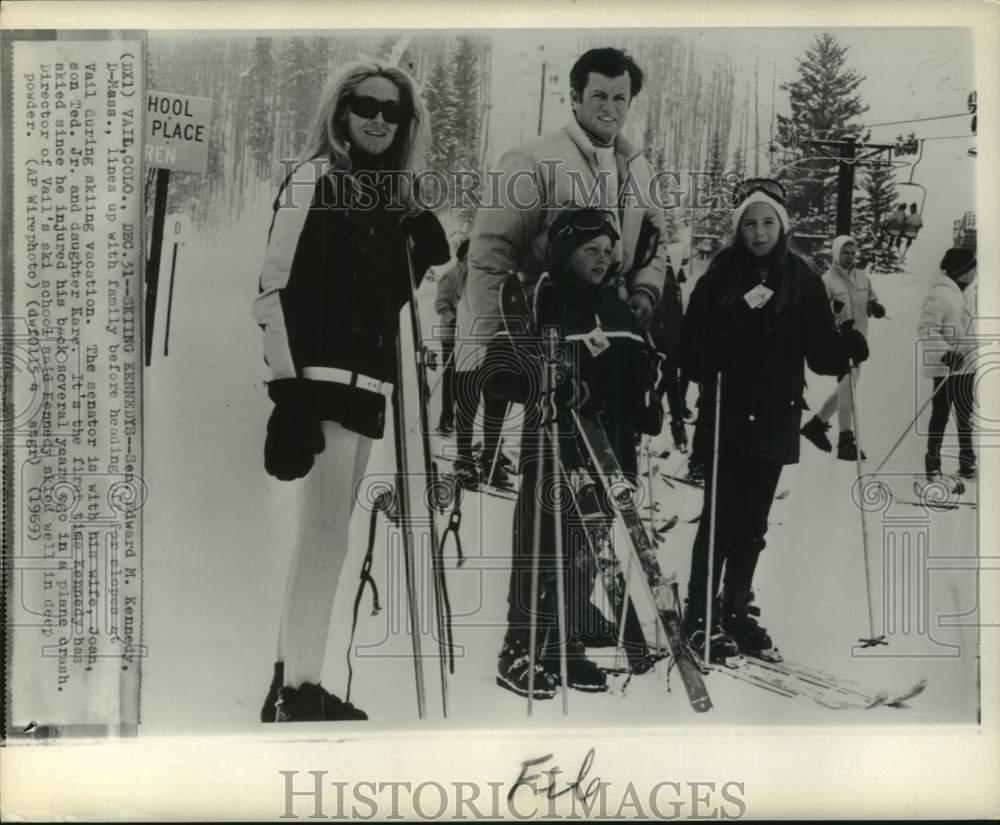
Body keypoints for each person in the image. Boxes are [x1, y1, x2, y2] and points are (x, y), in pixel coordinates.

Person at [252, 60, 449, 722]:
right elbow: (273, 287)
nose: (378, 118)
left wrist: (419, 241)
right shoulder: (314, 179)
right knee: (323, 537)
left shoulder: (393, 200)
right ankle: (298, 691)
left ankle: (291, 675)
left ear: (405, 124)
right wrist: (289, 391)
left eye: (392, 111)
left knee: (327, 536)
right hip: (320, 386)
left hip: (369, 390)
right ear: (341, 112)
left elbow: (386, 301)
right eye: (365, 104)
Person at [678, 179, 870, 661]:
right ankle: (699, 613)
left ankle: (736, 607)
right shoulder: (719, 275)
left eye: (767, 223)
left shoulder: (800, 279)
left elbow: (821, 354)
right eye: (749, 223)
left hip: (774, 416)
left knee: (753, 523)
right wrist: (713, 354)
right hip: (725, 415)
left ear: (781, 227)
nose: (759, 233)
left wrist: (846, 347)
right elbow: (689, 348)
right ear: (738, 228)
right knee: (720, 518)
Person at [462, 47, 668, 471]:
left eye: (620, 98)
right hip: (553, 337)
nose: (610, 108)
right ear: (574, 98)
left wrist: (646, 291)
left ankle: (604, 534)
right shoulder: (532, 159)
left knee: (613, 476)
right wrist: (502, 349)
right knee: (553, 484)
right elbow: (489, 254)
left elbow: (655, 242)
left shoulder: (639, 168)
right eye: (598, 96)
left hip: (614, 334)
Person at [484, 208, 653, 698]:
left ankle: (564, 641)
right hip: (553, 447)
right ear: (563, 252)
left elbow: (635, 366)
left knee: (584, 553)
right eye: (590, 251)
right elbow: (498, 371)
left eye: (608, 252)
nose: (602, 260)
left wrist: (648, 396)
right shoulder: (543, 299)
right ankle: (518, 646)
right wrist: (547, 380)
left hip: (608, 451)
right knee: (539, 549)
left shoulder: (617, 305)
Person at [801, 235, 887, 460]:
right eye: (845, 253)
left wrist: (875, 307)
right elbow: (818, 313)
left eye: (852, 252)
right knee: (848, 385)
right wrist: (832, 310)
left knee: (846, 388)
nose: (849, 257)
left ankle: (817, 424)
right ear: (836, 254)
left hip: (859, 340)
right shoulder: (826, 280)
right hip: (839, 341)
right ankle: (845, 440)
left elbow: (870, 300)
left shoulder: (863, 278)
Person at [918, 244, 978, 481]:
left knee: (965, 414)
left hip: (965, 366)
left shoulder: (961, 292)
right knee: (941, 414)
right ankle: (932, 464)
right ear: (962, 270)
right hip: (946, 366)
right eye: (973, 267)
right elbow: (926, 328)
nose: (975, 272)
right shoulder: (940, 293)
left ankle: (967, 463)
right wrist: (945, 354)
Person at [433, 238, 469, 437]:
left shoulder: (472, 276)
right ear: (465, 255)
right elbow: (440, 303)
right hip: (450, 336)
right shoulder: (451, 275)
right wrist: (453, 320)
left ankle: (457, 419)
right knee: (450, 378)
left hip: (466, 335)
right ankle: (445, 420)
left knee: (464, 377)